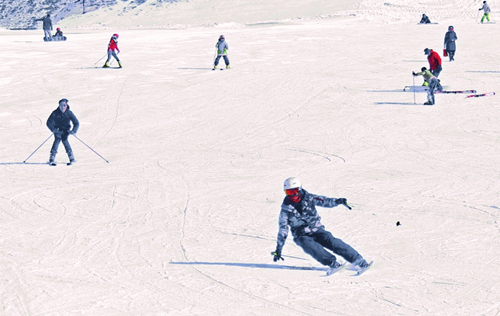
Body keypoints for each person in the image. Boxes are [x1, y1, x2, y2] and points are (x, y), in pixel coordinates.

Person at [272, 177, 370, 274]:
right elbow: (283, 229)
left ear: (300, 189)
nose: (292, 195)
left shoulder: (309, 198)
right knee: (309, 245)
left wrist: (338, 201)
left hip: (316, 229)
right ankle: (332, 263)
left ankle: (360, 261)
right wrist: (279, 249)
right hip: (301, 235)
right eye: (289, 192)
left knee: (332, 241)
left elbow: (324, 201)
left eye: (294, 191)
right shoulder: (285, 209)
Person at [46, 99, 79, 165]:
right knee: (57, 140)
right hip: (57, 130)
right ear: (59, 105)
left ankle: (71, 158)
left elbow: (76, 123)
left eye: (64, 105)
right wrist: (53, 130)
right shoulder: (55, 113)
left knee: (65, 140)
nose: (63, 107)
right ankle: (52, 158)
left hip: (66, 131)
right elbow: (48, 122)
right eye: (61, 105)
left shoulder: (69, 113)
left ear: (67, 105)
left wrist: (74, 131)